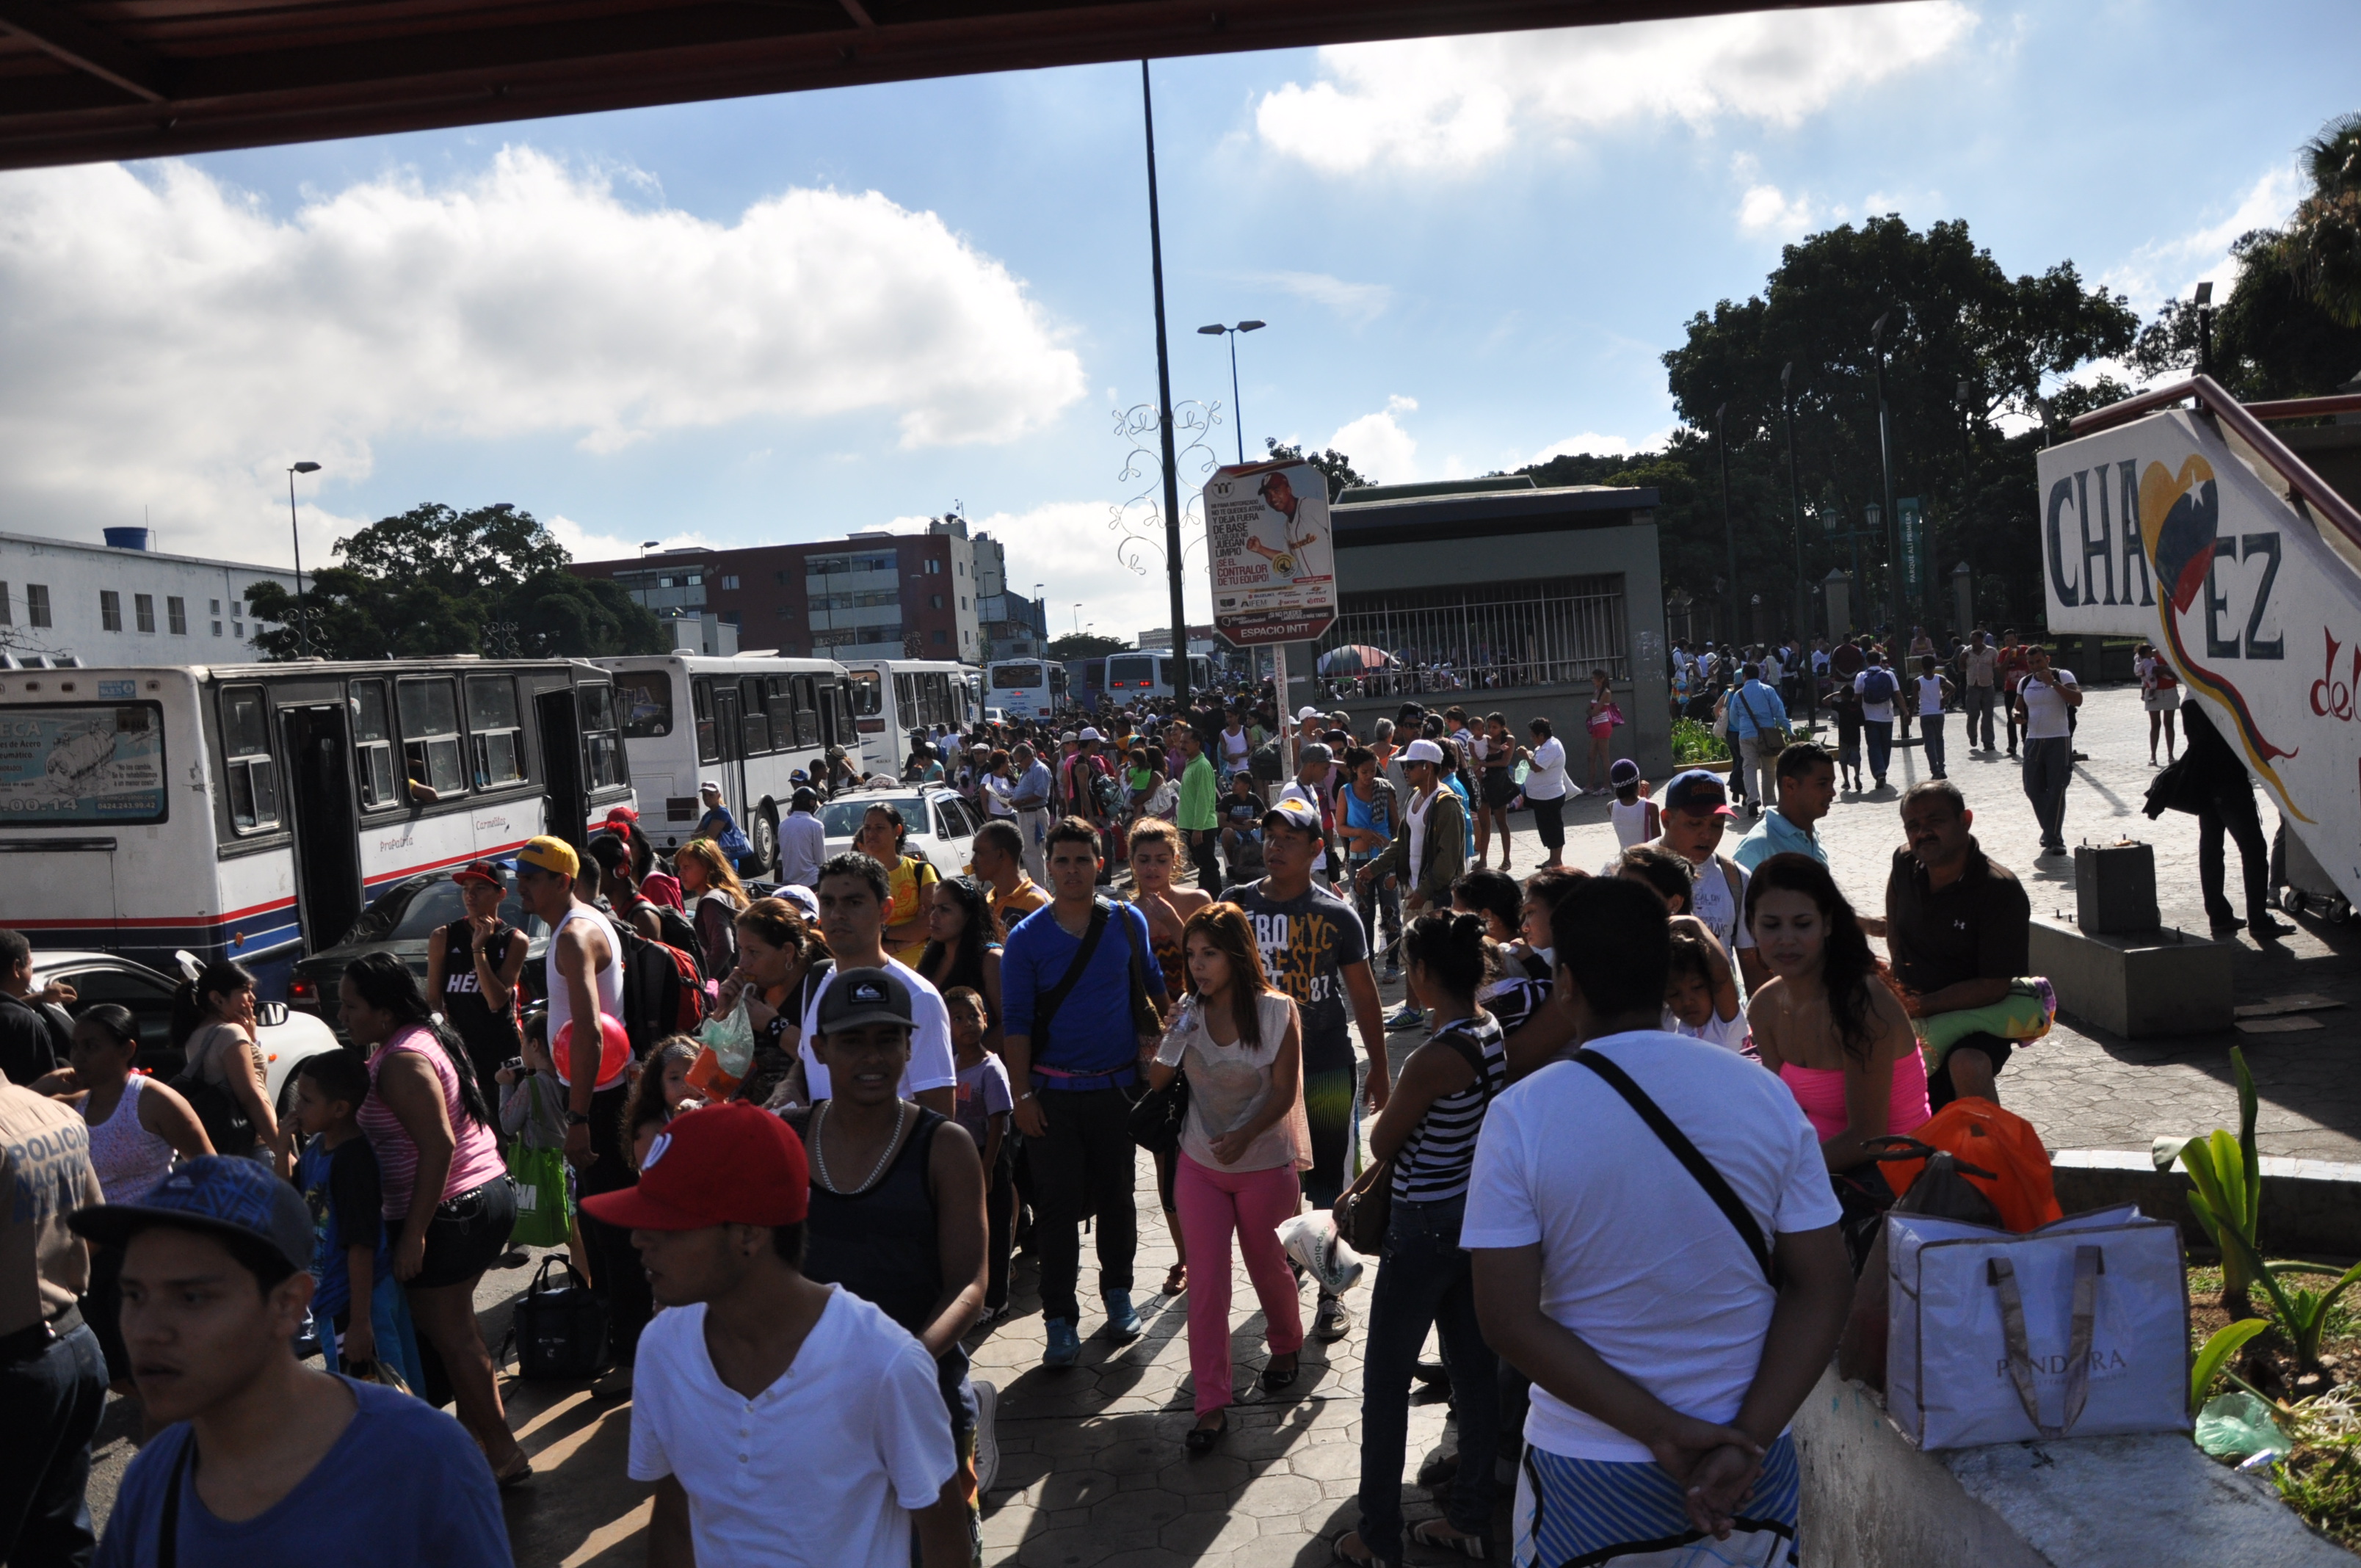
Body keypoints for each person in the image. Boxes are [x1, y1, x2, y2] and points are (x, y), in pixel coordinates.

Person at [1462, 876, 1851, 1568]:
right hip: (1752, 1470)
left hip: (1588, 1468)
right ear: (1661, 974)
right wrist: (1745, 1438)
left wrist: (1664, 1433)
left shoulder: (1520, 1116)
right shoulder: (1763, 1094)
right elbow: (1823, 1286)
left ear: (1568, 983)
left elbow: (1508, 1320)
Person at [78, 1155, 510, 1568]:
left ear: (288, 1305)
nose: (148, 1330)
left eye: (192, 1297)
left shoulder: (423, 1459)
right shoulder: (155, 1479)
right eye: (134, 1294)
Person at [592, 1103, 968, 1568]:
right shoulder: (660, 1349)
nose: (638, 1239)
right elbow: (674, 1516)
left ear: (748, 1235)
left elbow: (945, 1538)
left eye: (669, 1223)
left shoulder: (883, 1364)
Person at [786, 970, 990, 1537]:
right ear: (820, 1050)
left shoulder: (945, 1146)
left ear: (909, 1045)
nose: (870, 1057)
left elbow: (970, 1286)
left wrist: (908, 1365)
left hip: (923, 1395)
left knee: (938, 1548)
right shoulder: (789, 1140)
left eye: (886, 1039)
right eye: (852, 1041)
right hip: (814, 1403)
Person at [1332, 913, 1506, 1566]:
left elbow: (1381, 1140)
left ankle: (1376, 1536)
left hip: (1423, 1225)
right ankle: (1467, 1520)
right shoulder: (1488, 1033)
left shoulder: (1436, 1057)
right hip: (1472, 1217)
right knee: (1472, 1373)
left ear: (1425, 974)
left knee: (1384, 1386)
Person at [337, 952, 524, 1480]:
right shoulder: (425, 1035)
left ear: (386, 1014)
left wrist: (414, 1234)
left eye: (353, 1006)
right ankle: (481, 1448)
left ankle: (503, 1451)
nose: (343, 1014)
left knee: (456, 1338)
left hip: (451, 1210)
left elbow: (438, 1146)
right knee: (460, 1334)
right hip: (476, 1196)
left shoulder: (400, 1061)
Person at [1001, 819, 1167, 1364]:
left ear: (1101, 863)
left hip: (1117, 1091)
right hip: (1050, 1097)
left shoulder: (1126, 921)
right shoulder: (1027, 939)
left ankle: (1118, 1295)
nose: (1072, 870)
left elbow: (1153, 993)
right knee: (1055, 1210)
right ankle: (1059, 1319)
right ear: (1047, 865)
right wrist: (1021, 1097)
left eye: (1083, 860)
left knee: (1119, 1199)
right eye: (1063, 860)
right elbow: (1017, 1024)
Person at [1147, 904, 1306, 1452]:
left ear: (1237, 954)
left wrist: (1244, 1135)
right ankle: (1211, 1402)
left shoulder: (1277, 1012)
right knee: (1208, 1285)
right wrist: (1173, 1033)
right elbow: (1159, 1079)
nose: (1197, 966)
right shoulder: (1189, 1011)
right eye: (1191, 955)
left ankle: (1286, 1343)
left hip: (1265, 1163)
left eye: (1208, 953)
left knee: (1270, 1269)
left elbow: (1284, 1093)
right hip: (1200, 1165)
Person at [1236, 796, 1388, 1341]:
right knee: (1277, 1179)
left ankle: (1330, 1295)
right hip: (1256, 1071)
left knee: (1328, 1179)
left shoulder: (1336, 914)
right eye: (1270, 837)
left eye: (1290, 840)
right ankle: (1292, 1262)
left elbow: (1364, 995)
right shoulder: (1238, 906)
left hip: (1324, 1067)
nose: (1275, 848)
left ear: (1316, 851)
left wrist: (1381, 1069)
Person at [1747, 853, 1931, 1267]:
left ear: (1828, 925)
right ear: (1752, 929)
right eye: (1771, 926)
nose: (1786, 940)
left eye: (1803, 924)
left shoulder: (1863, 1003)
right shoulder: (1764, 1006)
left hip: (1889, 1179)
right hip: (1818, 1178)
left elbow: (1869, 1136)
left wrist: (1779, 1180)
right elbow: (1781, 1116)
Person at [512, 832, 648, 1393]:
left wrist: (579, 1117)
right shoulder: (582, 924)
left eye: (531, 875)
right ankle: (628, 1345)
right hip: (603, 1093)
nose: (521, 884)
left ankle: (633, 1359)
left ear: (562, 881)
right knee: (600, 1227)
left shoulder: (574, 936)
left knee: (612, 1233)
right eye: (518, 873)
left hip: (601, 1099)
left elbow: (591, 1031)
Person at [1, 1075, 107, 1567]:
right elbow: (96, 1224)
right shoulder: (56, 1115)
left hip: (17, 1364)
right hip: (75, 1344)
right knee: (59, 1540)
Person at [1885, 780, 2037, 1108]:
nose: (1923, 832)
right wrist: (1898, 973)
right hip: (1913, 1009)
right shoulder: (1904, 863)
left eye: (1935, 821)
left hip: (1977, 1015)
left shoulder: (2000, 890)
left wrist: (1920, 1006)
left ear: (1965, 820)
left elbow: (1994, 986)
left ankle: (1992, 1152)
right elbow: (1894, 911)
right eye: (1913, 825)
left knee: (1967, 1064)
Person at [283, 1048, 425, 1394]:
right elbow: (286, 1199)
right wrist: (280, 1142)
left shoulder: (353, 1162)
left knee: (380, 1394)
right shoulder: (318, 1148)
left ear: (339, 1109)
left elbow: (360, 1244)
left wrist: (361, 1322)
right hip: (336, 1301)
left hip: (360, 1301)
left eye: (306, 1100)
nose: (296, 1107)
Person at [791, 854, 960, 1117]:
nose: (837, 915)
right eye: (827, 902)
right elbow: (806, 1058)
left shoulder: (919, 997)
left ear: (885, 910)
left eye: (853, 903)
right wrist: (790, 1084)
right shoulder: (817, 980)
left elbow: (939, 1114)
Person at [1126, 818, 1212, 1294]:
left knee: (1206, 1144)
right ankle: (1185, 1256)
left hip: (1203, 1037)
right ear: (1131, 863)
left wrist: (1175, 925)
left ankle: (1210, 1243)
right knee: (1165, 1154)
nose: (1152, 868)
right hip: (1152, 1044)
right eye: (1143, 860)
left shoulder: (1198, 903)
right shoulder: (1121, 914)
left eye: (1162, 859)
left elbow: (1218, 958)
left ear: (1175, 860)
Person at [2155, 704, 2288, 939]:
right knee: (2253, 849)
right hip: (2229, 781)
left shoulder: (2190, 701)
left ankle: (2219, 915)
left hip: (2205, 782)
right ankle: (2257, 919)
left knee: (2212, 848)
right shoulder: (2218, 697)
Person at [1629, 770, 1761, 990]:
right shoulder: (1630, 873)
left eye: (1717, 825)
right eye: (1695, 824)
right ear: (1666, 820)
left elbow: (1753, 968)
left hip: (1723, 1021)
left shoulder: (1737, 879)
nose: (1707, 835)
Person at [424, 860, 530, 1101]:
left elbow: (495, 1001)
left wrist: (478, 950)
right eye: (465, 889)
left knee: (507, 1129)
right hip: (462, 1052)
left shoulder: (514, 940)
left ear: (500, 895)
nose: (470, 895)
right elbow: (433, 1001)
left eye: (480, 888)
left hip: (502, 1051)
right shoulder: (443, 937)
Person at [946, 987, 1015, 1321]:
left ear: (985, 1020)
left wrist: (987, 1169)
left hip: (989, 1158)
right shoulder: (952, 1068)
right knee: (971, 1234)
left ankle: (997, 1299)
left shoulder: (992, 1069)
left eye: (973, 1016)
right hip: (962, 1162)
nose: (967, 1024)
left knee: (996, 1233)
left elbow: (999, 1120)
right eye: (957, 1018)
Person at [167, 959, 278, 1161]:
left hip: (229, 1149)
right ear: (217, 999)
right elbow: (251, 1098)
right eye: (245, 990)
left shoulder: (197, 1034)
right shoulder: (230, 1033)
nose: (252, 998)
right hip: (256, 1147)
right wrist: (282, 1149)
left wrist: (251, 1039)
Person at [1337, 745, 1403, 981]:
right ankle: (1368, 965)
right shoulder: (1345, 792)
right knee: (1363, 915)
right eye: (1364, 772)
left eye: (1373, 771)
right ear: (1354, 770)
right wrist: (1361, 833)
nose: (1369, 776)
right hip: (1358, 861)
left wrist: (1395, 849)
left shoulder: (1384, 791)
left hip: (1385, 861)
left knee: (1391, 912)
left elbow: (1397, 826)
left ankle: (1393, 964)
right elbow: (1340, 827)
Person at [2012, 643, 2081, 857]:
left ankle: (2055, 839)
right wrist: (2016, 714)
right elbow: (2017, 706)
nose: (2035, 666)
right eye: (2031, 663)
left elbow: (2077, 699)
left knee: (2057, 788)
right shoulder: (2025, 682)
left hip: (2058, 739)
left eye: (2039, 661)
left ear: (2047, 660)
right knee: (2032, 788)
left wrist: (2054, 684)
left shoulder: (2063, 675)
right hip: (2033, 740)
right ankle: (2049, 830)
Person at [1731, 743, 1837, 873]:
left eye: (1832, 784)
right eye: (1822, 784)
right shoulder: (1758, 847)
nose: (1832, 792)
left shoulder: (1812, 836)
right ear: (1790, 785)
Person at [1, 926, 71, 1085]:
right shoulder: (25, 1024)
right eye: (30, 965)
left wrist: (41, 997)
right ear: (16, 968)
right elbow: (46, 1090)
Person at [677, 837, 750, 980]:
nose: (680, 873)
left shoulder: (711, 902)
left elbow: (724, 947)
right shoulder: (728, 892)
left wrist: (703, 978)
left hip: (724, 985)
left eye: (687, 867)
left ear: (707, 866)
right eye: (680, 868)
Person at [1664, 929, 1748, 1053]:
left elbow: (1721, 973)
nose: (1687, 1001)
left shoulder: (1724, 1026)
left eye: (1697, 987)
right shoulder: (1669, 1023)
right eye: (1674, 994)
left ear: (1712, 984)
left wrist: (1694, 924)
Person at [1726, 662, 1790, 816]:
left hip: (1746, 735)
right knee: (1768, 769)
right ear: (1759, 675)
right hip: (1768, 736)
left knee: (1749, 767)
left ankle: (1752, 800)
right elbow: (1779, 711)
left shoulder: (1739, 694)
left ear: (1744, 676)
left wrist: (1744, 727)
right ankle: (1770, 802)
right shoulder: (1768, 690)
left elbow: (1733, 718)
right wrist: (1788, 730)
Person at [971, 819, 1048, 932]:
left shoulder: (1037, 904)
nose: (973, 861)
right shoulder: (987, 901)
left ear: (1000, 854)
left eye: (979, 853)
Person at [1173, 721, 1224, 894]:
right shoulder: (1192, 764)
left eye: (1186, 742)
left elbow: (1203, 800)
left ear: (1197, 744)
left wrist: (1198, 829)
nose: (1182, 745)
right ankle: (1205, 896)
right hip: (1191, 825)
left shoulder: (1202, 766)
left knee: (1208, 866)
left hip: (1202, 827)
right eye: (1181, 742)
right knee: (1202, 866)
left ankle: (1214, 898)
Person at [1853, 649, 1899, 789]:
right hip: (1887, 717)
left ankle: (1880, 772)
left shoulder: (1861, 676)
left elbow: (1857, 698)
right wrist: (1906, 712)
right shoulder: (1889, 674)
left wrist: (1856, 715)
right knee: (1886, 746)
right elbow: (1898, 695)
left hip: (1869, 718)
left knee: (1873, 746)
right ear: (1880, 661)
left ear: (1867, 662)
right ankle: (1882, 770)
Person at [1009, 742, 1055, 883]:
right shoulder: (1026, 771)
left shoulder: (1039, 770)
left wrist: (1021, 802)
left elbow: (1041, 794)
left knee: (1034, 853)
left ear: (1029, 756)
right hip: (1025, 814)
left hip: (1034, 814)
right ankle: (1039, 886)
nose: (1019, 764)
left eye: (1020, 761)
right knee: (1029, 852)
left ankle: (1040, 888)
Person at [692, 780, 756, 874]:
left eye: (711, 795)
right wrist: (700, 835)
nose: (706, 798)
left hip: (725, 861)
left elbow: (709, 838)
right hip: (714, 860)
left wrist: (700, 835)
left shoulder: (722, 813)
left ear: (718, 796)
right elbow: (694, 837)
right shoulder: (708, 814)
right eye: (704, 795)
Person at [2136, 641, 2182, 765]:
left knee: (2169, 724)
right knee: (2155, 725)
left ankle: (2171, 756)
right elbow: (2141, 673)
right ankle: (2153, 756)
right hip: (2153, 692)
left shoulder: (2172, 655)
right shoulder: (2147, 657)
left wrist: (2163, 670)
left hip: (2169, 692)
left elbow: (2178, 676)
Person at [1912, 654, 1956, 781]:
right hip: (1938, 713)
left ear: (1922, 666)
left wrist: (1909, 714)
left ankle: (1935, 770)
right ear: (1934, 666)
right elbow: (1952, 688)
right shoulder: (1939, 678)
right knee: (1939, 740)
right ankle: (1942, 767)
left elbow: (1914, 700)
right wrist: (1944, 699)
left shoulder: (1918, 681)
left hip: (1925, 713)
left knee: (1929, 743)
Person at [780, 788, 830, 889]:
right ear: (812, 803)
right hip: (811, 882)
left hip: (788, 881)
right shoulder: (816, 825)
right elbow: (821, 860)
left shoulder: (783, 824)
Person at [1961, 630, 1999, 752]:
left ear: (1982, 640)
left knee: (1988, 715)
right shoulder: (1967, 651)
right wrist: (1961, 659)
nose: (1973, 644)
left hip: (1988, 686)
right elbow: (1961, 669)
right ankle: (1973, 736)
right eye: (1971, 641)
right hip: (1973, 686)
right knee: (1973, 714)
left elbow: (1996, 666)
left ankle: (1988, 742)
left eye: (1975, 641)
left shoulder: (1991, 651)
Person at [1995, 629, 2030, 758]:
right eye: (2007, 640)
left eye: (2012, 639)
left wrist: (2020, 657)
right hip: (2010, 689)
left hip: (2025, 689)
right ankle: (2012, 745)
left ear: (2017, 639)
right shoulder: (2004, 652)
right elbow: (2000, 670)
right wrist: (2008, 658)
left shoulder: (2026, 650)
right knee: (2011, 717)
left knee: (2025, 716)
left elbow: (2031, 663)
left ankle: (2026, 742)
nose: (2010, 642)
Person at [1584, 668, 1620, 789]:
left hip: (1603, 726)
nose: (1592, 680)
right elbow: (1589, 709)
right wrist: (1591, 711)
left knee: (1604, 756)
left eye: (1594, 678)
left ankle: (1606, 786)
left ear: (1602, 679)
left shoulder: (1606, 693)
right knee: (1591, 756)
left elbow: (1594, 711)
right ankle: (1590, 785)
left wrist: (1591, 712)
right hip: (1596, 727)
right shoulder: (1597, 691)